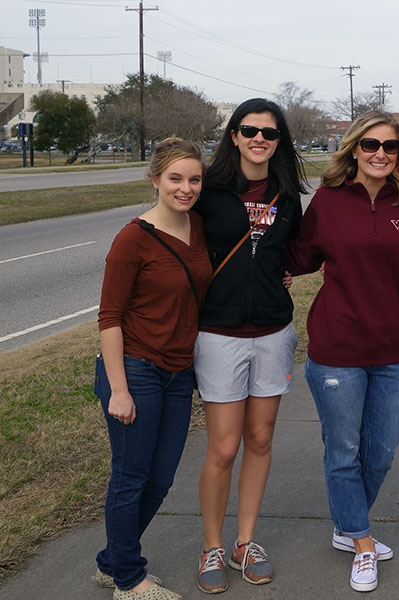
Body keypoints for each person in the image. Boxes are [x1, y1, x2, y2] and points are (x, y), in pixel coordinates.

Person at [287, 111, 399, 593]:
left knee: (380, 452)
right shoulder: (328, 200)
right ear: (353, 150)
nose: (380, 154)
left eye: (390, 146)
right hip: (336, 346)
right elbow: (298, 257)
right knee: (343, 450)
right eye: (370, 145)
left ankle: (348, 525)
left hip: (391, 349)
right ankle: (362, 542)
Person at [192, 98, 306, 593]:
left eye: (270, 132)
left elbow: (295, 252)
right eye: (250, 130)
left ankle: (245, 541)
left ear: (279, 140)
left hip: (273, 332)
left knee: (260, 440)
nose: (260, 138)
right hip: (218, 333)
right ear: (234, 135)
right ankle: (212, 546)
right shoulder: (209, 191)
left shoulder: (287, 194)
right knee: (223, 446)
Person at [93, 138, 211, 600]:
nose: (185, 188)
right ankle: (128, 579)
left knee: (160, 479)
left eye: (194, 179)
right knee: (130, 476)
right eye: (175, 179)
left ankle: (112, 560)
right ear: (155, 180)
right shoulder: (132, 239)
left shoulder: (198, 227)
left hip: (179, 373)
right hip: (135, 370)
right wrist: (118, 390)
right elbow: (109, 317)